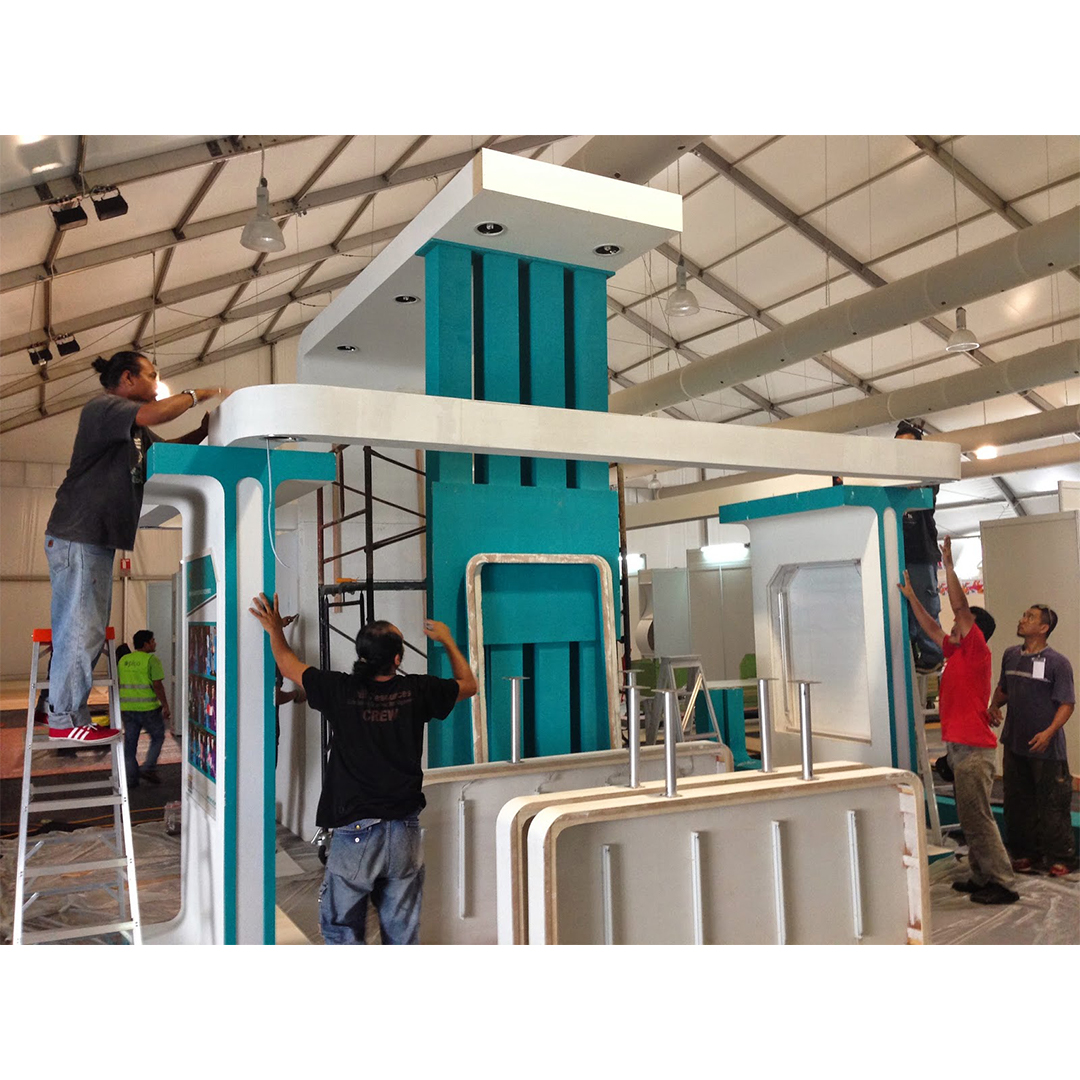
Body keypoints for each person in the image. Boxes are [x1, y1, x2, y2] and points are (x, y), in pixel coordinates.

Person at [249, 592, 477, 944]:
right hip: (404, 829)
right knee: (401, 934)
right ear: (397, 659)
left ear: (361, 655)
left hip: (355, 829)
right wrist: (447, 640)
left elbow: (288, 664)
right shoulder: (418, 690)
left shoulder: (339, 689)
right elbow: (469, 685)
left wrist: (274, 629)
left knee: (343, 931)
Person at [44, 350, 223, 745]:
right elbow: (155, 413)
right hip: (80, 534)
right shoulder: (104, 408)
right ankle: (62, 717)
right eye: (151, 375)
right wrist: (199, 394)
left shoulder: (134, 432)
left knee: (86, 629)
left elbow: (165, 453)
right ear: (127, 378)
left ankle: (66, 712)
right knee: (81, 628)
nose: (157, 384)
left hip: (93, 539)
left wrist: (202, 432)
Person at [899, 536, 1018, 904]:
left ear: (973, 631)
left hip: (974, 751)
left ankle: (1002, 882)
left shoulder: (977, 650)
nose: (953, 625)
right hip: (960, 749)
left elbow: (960, 606)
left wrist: (947, 566)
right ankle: (982, 876)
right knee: (970, 818)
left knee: (979, 818)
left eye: (961, 624)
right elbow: (933, 629)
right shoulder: (955, 653)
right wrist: (912, 598)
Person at [989, 604, 1076, 877]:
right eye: (1023, 615)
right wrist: (994, 706)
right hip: (1015, 743)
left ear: (1043, 628)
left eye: (1030, 617)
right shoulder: (1011, 655)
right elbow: (1004, 689)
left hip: (1046, 748)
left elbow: (1067, 704)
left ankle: (1060, 857)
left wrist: (1049, 732)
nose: (1022, 619)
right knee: (1017, 802)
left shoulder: (1058, 663)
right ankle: (1025, 853)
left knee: (1053, 803)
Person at [895, 419, 943, 673]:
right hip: (895, 552)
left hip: (921, 552)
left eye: (909, 445)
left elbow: (930, 488)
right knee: (901, 607)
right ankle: (911, 650)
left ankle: (933, 653)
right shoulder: (886, 475)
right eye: (898, 445)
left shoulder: (928, 475)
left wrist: (916, 481)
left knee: (925, 603)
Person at [118, 629, 170, 788]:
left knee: (130, 745)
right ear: (146, 644)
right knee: (158, 737)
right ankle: (149, 767)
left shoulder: (123, 660)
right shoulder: (151, 660)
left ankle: (131, 780)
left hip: (127, 708)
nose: (155, 643)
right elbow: (157, 685)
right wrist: (165, 705)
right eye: (153, 641)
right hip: (148, 708)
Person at [274, 611, 306, 767]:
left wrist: (279, 625)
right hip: (268, 730)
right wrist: (296, 694)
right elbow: (275, 697)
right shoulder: (274, 659)